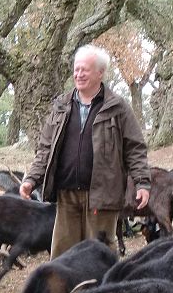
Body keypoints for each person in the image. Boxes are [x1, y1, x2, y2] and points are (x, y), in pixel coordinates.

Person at [20, 44, 151, 258]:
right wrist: (31, 179)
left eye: (85, 70)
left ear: (100, 73)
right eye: (76, 69)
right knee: (62, 257)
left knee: (99, 256)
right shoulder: (61, 106)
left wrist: (142, 182)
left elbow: (135, 148)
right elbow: (45, 148)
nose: (79, 74)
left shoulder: (118, 107)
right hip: (66, 194)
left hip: (102, 195)